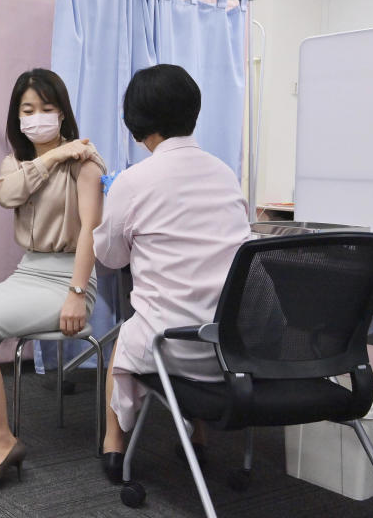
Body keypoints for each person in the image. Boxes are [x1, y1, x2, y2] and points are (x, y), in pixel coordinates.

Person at [0, 69, 104, 487]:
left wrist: (76, 294)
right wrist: (49, 158)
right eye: (28, 110)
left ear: (62, 113)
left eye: (47, 108)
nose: (37, 117)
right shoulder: (17, 164)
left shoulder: (85, 161)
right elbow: (6, 195)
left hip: (68, 278)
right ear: (17, 116)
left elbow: (91, 231)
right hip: (28, 271)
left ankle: (2, 438)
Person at [93, 64, 250, 483]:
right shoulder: (224, 174)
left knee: (128, 336)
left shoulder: (133, 180)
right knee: (198, 311)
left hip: (172, 348)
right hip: (234, 348)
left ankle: (113, 447)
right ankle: (196, 439)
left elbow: (109, 257)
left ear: (136, 120)